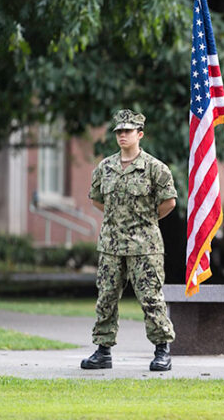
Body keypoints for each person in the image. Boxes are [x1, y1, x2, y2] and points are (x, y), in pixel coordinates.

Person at [81, 109, 178, 372]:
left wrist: (143, 221)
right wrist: (119, 220)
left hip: (144, 246)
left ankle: (161, 350)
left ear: (140, 134)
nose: (122, 135)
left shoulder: (155, 168)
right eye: (119, 131)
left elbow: (169, 202)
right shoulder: (105, 167)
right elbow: (96, 199)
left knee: (151, 298)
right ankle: (103, 351)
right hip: (111, 245)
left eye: (128, 131)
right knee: (106, 298)